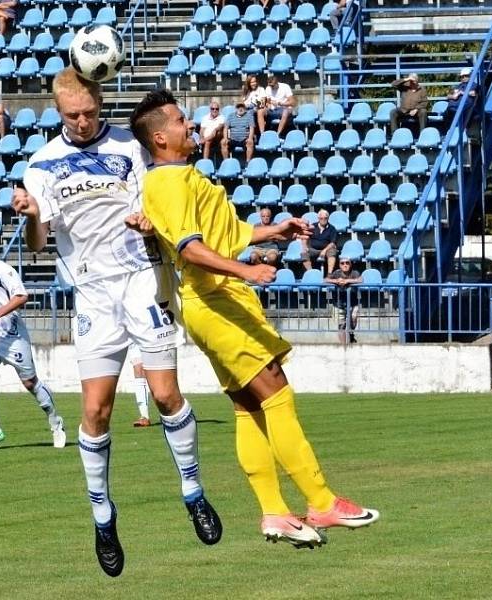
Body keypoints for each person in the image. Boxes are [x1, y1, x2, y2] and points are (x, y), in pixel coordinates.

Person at [130, 88, 379, 549]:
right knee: (275, 391)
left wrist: (271, 230)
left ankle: (274, 513)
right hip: (216, 300)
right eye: (182, 120)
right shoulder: (167, 182)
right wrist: (247, 268)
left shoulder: (181, 177)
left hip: (213, 303)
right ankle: (321, 501)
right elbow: (192, 248)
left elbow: (225, 234)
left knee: (248, 406)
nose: (192, 125)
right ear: (161, 138)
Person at [11, 68, 221, 578]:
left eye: (89, 112)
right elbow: (39, 244)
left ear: (101, 102)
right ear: (57, 112)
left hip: (142, 278)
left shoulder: (132, 144)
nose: (83, 122)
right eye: (71, 116)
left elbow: (164, 193)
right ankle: (103, 515)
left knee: (167, 395)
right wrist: (34, 213)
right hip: (93, 292)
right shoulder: (41, 166)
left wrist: (153, 219)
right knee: (96, 410)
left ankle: (192, 489)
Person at [0, 230, 66, 450]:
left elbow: (21, 296)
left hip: (12, 335)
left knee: (30, 383)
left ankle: (56, 423)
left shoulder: (3, 270)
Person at [325, 257, 362, 344]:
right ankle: (343, 347)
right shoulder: (337, 273)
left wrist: (347, 281)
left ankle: (351, 334)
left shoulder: (354, 272)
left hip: (353, 302)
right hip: (338, 303)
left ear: (350, 264)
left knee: (353, 320)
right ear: (339, 265)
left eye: (347, 263)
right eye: (342, 263)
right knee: (341, 326)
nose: (345, 265)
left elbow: (360, 280)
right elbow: (325, 280)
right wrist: (336, 281)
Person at [301, 208, 338, 275]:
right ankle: (310, 274)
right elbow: (304, 236)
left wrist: (324, 250)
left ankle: (329, 274)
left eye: (325, 218)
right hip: (313, 249)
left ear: (328, 218)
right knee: (304, 253)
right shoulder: (312, 226)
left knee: (333, 251)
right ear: (318, 218)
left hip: (326, 250)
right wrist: (304, 246)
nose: (323, 220)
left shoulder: (332, 228)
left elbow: (332, 243)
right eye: (321, 218)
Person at [441, 67, 478, 132]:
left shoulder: (474, 85)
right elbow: (448, 96)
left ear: (470, 76)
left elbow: (474, 93)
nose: (463, 78)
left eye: (465, 76)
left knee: (458, 114)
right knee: (446, 114)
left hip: (464, 107)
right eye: (462, 77)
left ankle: (457, 132)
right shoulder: (458, 86)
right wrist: (453, 96)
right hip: (452, 107)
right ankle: (450, 131)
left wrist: (461, 92)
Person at [127, 343, 152, 427]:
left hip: (151, 334)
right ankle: (144, 416)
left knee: (158, 372)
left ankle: (172, 411)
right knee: (138, 369)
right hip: (132, 337)